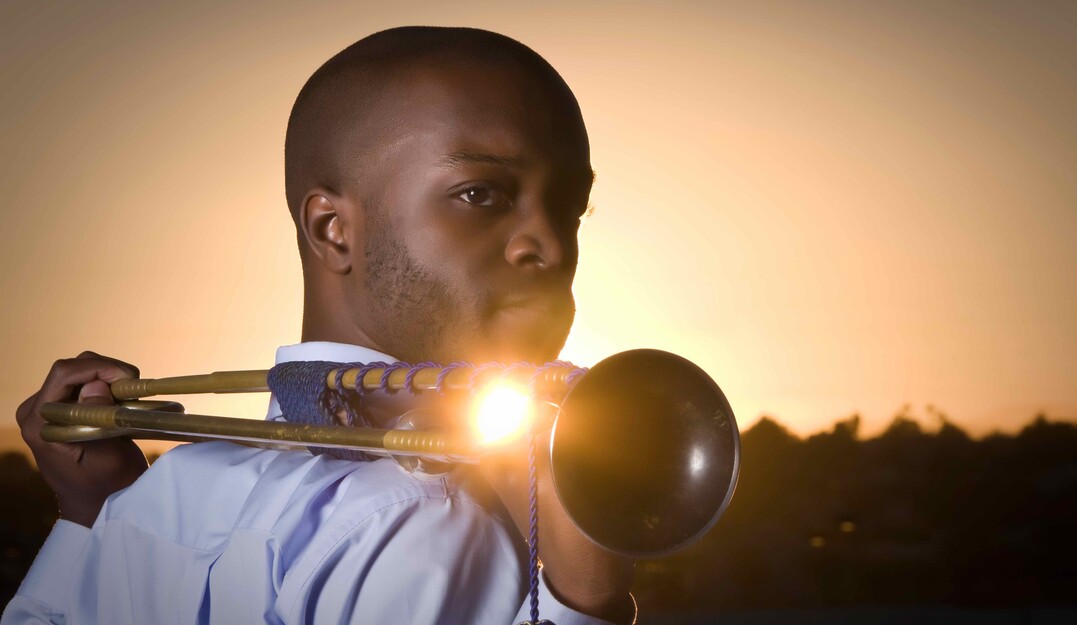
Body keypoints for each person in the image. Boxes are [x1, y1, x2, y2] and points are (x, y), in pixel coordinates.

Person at [5, 26, 638, 624]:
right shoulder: (426, 522)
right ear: (332, 230)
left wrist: (89, 516)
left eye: (569, 209)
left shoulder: (164, 495)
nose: (551, 246)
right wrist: (585, 600)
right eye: (481, 193)